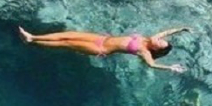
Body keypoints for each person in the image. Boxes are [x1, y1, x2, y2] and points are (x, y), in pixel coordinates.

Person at [18, 26, 190, 73]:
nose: (160, 40)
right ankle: (34, 36)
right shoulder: (148, 39)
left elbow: (151, 65)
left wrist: (169, 67)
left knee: (67, 43)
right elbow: (166, 32)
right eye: (161, 40)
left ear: (155, 48)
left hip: (99, 48)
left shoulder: (144, 51)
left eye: (161, 43)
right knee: (67, 34)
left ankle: (31, 39)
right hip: (101, 38)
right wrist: (181, 29)